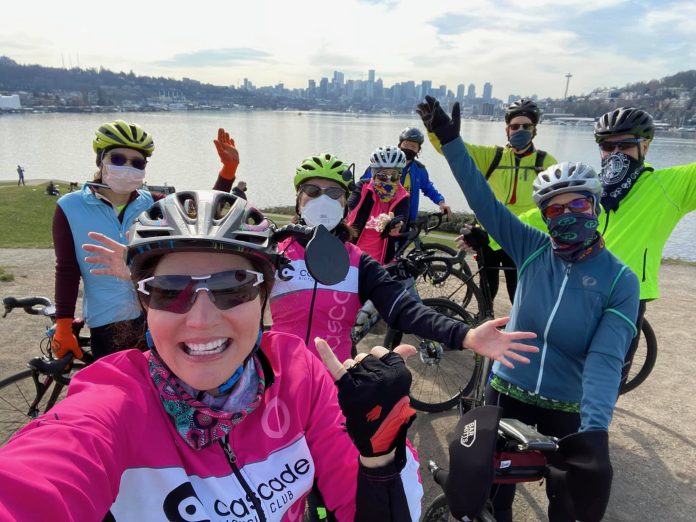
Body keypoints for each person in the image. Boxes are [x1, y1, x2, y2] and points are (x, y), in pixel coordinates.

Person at [0, 190, 425, 521]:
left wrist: (380, 458)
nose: (201, 320)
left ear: (263, 297)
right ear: (144, 303)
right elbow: (34, 482)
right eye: (169, 290)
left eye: (233, 285)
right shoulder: (115, 403)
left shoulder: (297, 374)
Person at [417, 96, 640, 522]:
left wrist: (594, 431)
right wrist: (450, 142)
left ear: (594, 206)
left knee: (569, 506)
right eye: (554, 209)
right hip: (506, 391)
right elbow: (483, 200)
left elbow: (605, 360)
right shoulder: (533, 248)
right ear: (544, 217)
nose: (567, 215)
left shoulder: (619, 280)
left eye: (577, 204)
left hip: (567, 407)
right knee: (488, 499)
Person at [519, 106, 696, 388]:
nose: (615, 153)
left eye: (625, 145)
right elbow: (531, 219)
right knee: (562, 371)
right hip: (579, 288)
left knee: (605, 381)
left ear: (645, 145)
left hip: (626, 297)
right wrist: (483, 234)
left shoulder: (669, 186)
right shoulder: (592, 187)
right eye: (607, 146)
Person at [52, 123, 239, 360]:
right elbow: (67, 270)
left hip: (158, 314)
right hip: (107, 323)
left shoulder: (155, 204)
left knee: (165, 391)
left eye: (137, 163)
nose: (128, 167)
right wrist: (63, 325)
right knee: (119, 394)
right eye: (118, 159)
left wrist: (227, 173)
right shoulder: (69, 207)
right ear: (101, 160)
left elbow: (200, 218)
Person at [429, 98, 557, 304]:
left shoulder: (546, 162)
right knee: (487, 290)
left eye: (526, 126)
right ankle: (485, 323)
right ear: (507, 130)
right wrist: (434, 131)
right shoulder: (494, 156)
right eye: (515, 126)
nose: (520, 130)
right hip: (489, 235)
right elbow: (453, 151)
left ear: (535, 130)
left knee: (520, 292)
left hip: (523, 237)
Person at [360, 127, 452, 223]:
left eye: (413, 147)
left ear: (418, 150)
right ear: (399, 145)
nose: (409, 149)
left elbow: (429, 188)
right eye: (406, 145)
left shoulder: (419, 169)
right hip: (379, 219)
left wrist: (441, 202)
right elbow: (363, 185)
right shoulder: (381, 164)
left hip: (407, 221)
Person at [347, 146, 410, 265]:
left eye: (394, 176)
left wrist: (395, 226)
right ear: (374, 174)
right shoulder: (363, 188)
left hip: (379, 265)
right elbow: (349, 208)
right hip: (350, 256)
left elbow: (402, 222)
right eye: (383, 176)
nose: (388, 181)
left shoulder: (403, 196)